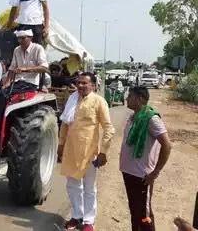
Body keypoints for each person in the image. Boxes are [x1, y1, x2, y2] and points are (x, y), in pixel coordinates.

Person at [58, 72, 115, 231]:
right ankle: (77, 216)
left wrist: (103, 152)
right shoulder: (72, 99)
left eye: (84, 83)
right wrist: (60, 145)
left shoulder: (99, 101)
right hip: (71, 150)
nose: (81, 86)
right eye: (79, 83)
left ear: (93, 85)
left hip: (90, 152)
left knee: (89, 188)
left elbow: (108, 128)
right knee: (72, 185)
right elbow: (64, 124)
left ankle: (89, 221)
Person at [120, 86, 172, 231]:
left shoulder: (151, 118)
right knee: (135, 211)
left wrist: (155, 172)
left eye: (130, 96)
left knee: (144, 214)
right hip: (129, 172)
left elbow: (167, 145)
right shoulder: (133, 117)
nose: (126, 99)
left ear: (140, 99)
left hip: (143, 175)